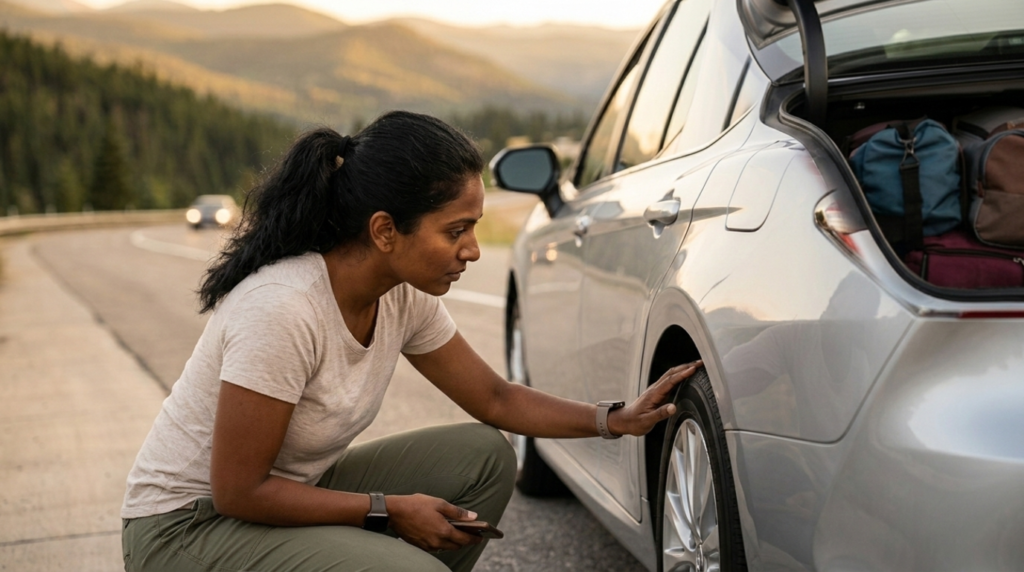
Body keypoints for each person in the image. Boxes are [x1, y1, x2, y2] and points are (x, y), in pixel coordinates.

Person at [120, 110, 703, 572]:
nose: (473, 249)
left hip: (287, 493)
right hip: (185, 532)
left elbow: (496, 400)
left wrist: (615, 418)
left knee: (484, 457)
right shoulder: (283, 308)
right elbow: (238, 491)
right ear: (384, 231)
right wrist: (386, 512)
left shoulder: (400, 293)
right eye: (456, 230)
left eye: (474, 228)